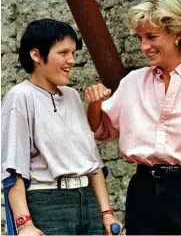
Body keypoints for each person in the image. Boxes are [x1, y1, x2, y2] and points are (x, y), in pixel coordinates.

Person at [84, 0, 181, 235]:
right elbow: (101, 130)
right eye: (140, 38)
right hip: (143, 191)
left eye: (151, 37)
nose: (144, 47)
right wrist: (94, 105)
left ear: (177, 34)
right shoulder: (133, 82)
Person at [1, 18, 121, 235]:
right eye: (63, 53)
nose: (71, 61)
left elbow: (92, 163)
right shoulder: (20, 97)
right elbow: (13, 170)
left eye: (73, 53)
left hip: (88, 202)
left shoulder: (72, 96)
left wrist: (106, 213)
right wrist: (25, 224)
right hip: (48, 206)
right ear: (36, 55)